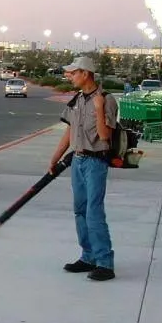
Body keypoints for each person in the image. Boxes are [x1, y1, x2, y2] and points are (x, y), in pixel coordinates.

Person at [48, 56, 117, 281]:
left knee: (93, 212)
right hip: (77, 161)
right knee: (80, 210)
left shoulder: (106, 100)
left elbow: (106, 136)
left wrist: (98, 109)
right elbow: (69, 132)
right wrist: (55, 157)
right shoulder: (76, 100)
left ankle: (105, 263)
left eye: (73, 72)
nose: (69, 76)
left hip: (96, 162)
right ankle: (88, 257)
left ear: (85, 74)